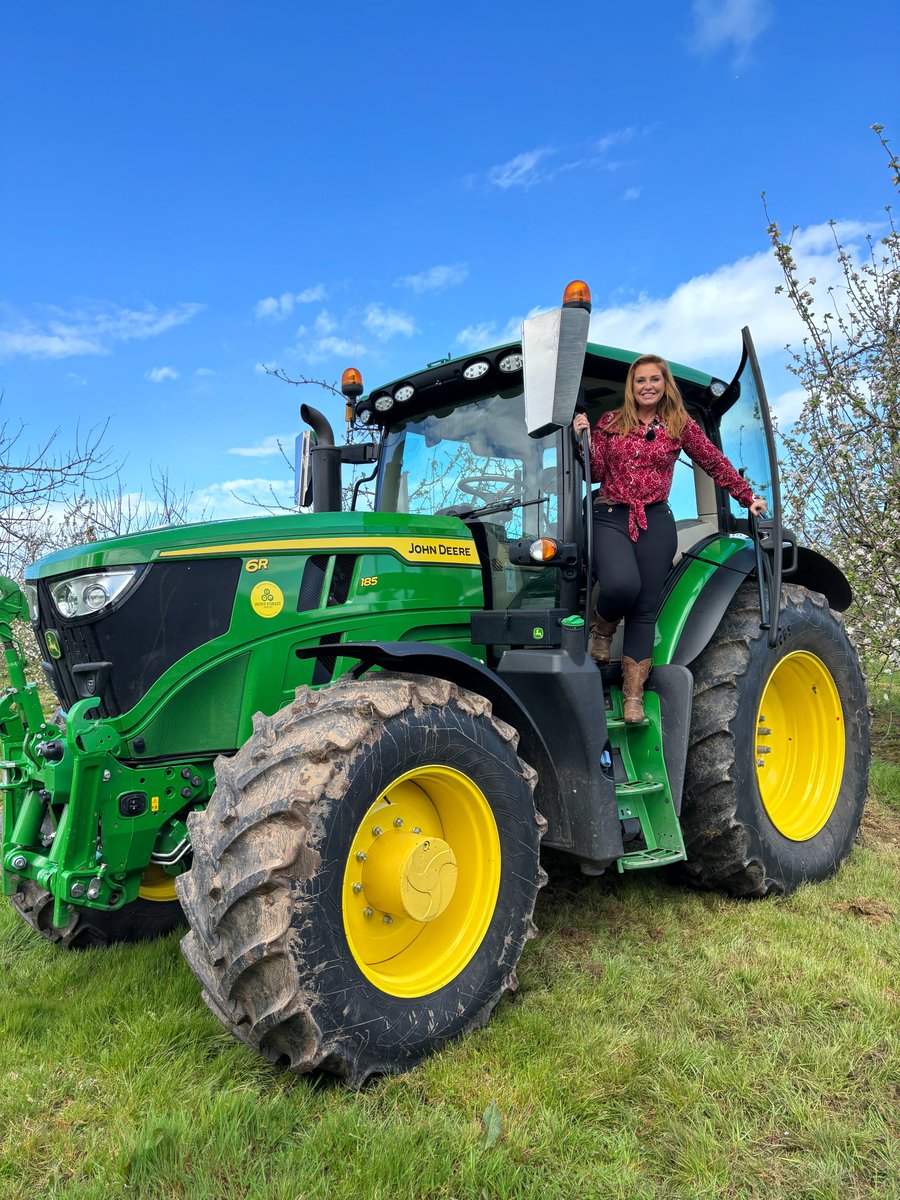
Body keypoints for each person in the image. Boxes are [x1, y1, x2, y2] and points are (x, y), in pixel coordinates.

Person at [573, 354, 768, 723]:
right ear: (631, 387)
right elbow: (595, 471)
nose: (647, 386)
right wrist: (581, 437)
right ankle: (602, 628)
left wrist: (747, 497)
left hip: (656, 519)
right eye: (639, 380)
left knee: (645, 608)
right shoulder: (610, 422)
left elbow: (713, 462)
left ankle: (633, 696)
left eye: (654, 379)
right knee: (620, 584)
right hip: (611, 512)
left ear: (665, 385)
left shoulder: (680, 425)